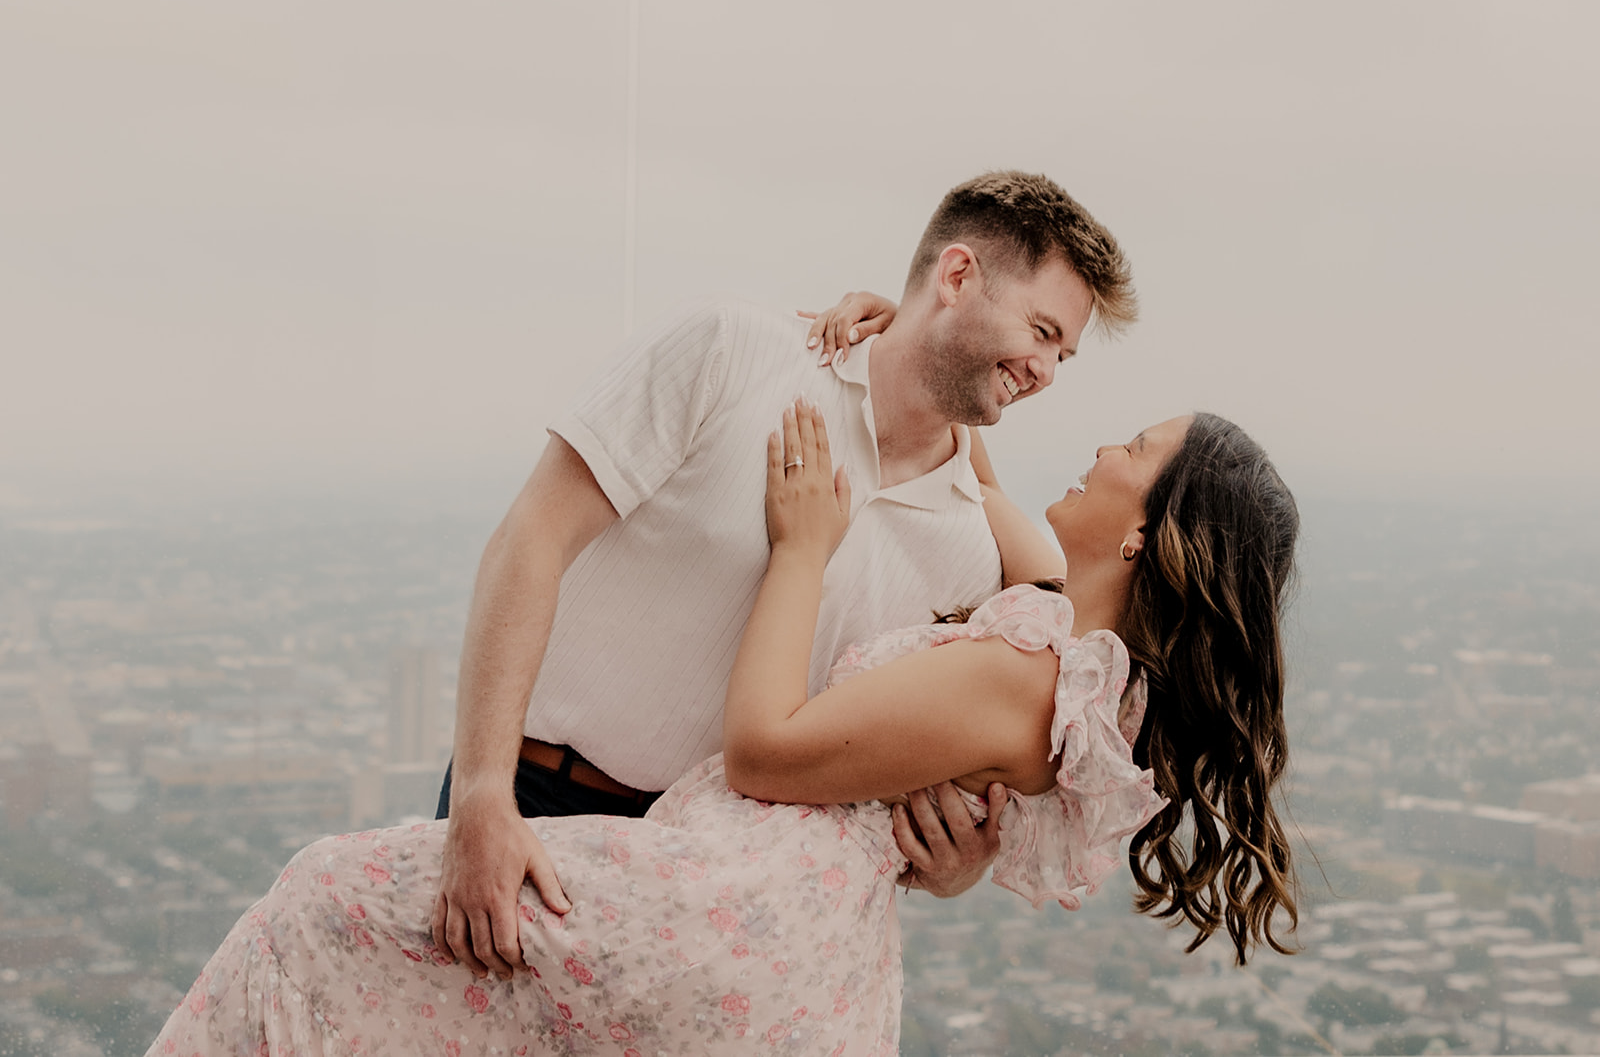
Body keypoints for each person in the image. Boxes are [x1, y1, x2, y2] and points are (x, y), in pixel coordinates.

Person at [145, 402, 1300, 1056]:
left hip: (730, 904)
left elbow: (765, 749)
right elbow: (977, 464)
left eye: (1133, 449)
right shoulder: (1073, 652)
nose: (1101, 444)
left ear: (1150, 531)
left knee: (322, 899)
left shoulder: (1025, 672)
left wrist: (801, 547)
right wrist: (906, 337)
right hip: (787, 945)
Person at [432, 170, 1139, 980]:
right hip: (526, 800)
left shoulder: (980, 555)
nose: (1047, 369)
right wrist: (484, 794)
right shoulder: (732, 351)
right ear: (956, 276)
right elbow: (532, 535)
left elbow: (910, 766)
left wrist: (954, 866)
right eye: (1042, 330)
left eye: (1064, 354)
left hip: (709, 894)